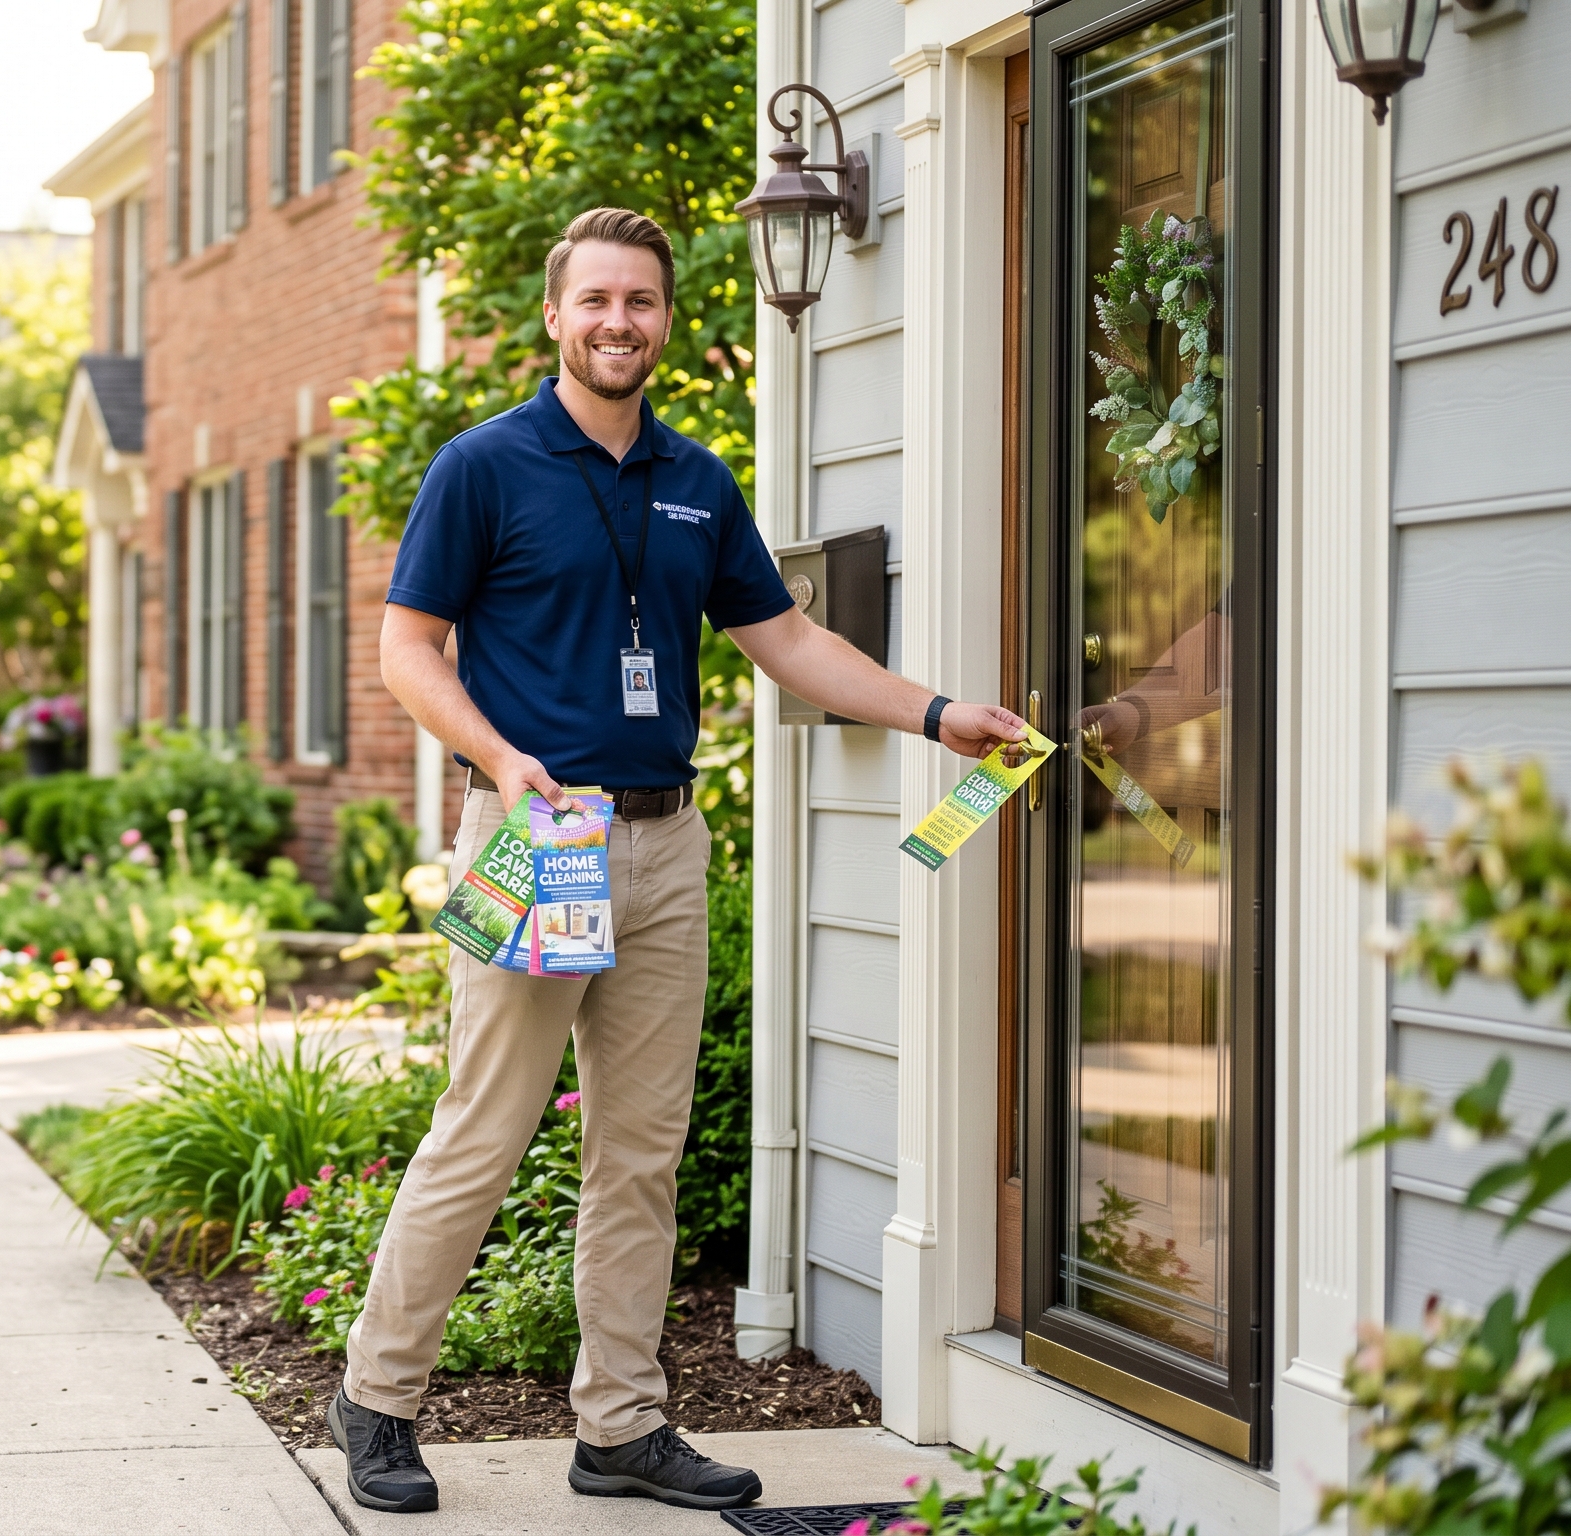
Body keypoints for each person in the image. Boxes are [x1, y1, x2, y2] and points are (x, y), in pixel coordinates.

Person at [332, 208, 1028, 1516]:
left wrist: (939, 716)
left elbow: (790, 642)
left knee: (641, 1153)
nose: (619, 321)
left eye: (640, 301)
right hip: (541, 836)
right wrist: (501, 758)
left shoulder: (699, 480)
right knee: (483, 1133)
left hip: (666, 843)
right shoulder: (483, 467)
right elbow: (407, 650)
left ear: (665, 319)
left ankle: (622, 1426)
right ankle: (377, 1399)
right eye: (596, 299)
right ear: (556, 315)